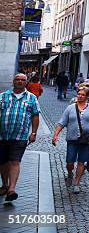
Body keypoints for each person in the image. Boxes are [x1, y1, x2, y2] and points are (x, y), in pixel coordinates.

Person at [52, 87, 89, 194]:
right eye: (79, 94)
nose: (80, 96)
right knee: (69, 161)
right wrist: (56, 134)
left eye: (82, 94)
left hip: (86, 139)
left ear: (87, 97)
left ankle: (77, 182)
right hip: (72, 139)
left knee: (81, 162)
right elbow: (62, 122)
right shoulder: (70, 108)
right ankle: (70, 174)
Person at [0, 73, 40, 201]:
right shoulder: (3, 96)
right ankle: (4, 185)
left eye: (22, 80)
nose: (19, 82)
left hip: (21, 136)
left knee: (15, 161)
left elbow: (35, 116)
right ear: (13, 81)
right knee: (3, 162)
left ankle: (11, 189)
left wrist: (33, 133)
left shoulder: (32, 98)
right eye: (17, 79)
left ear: (26, 82)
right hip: (2, 135)